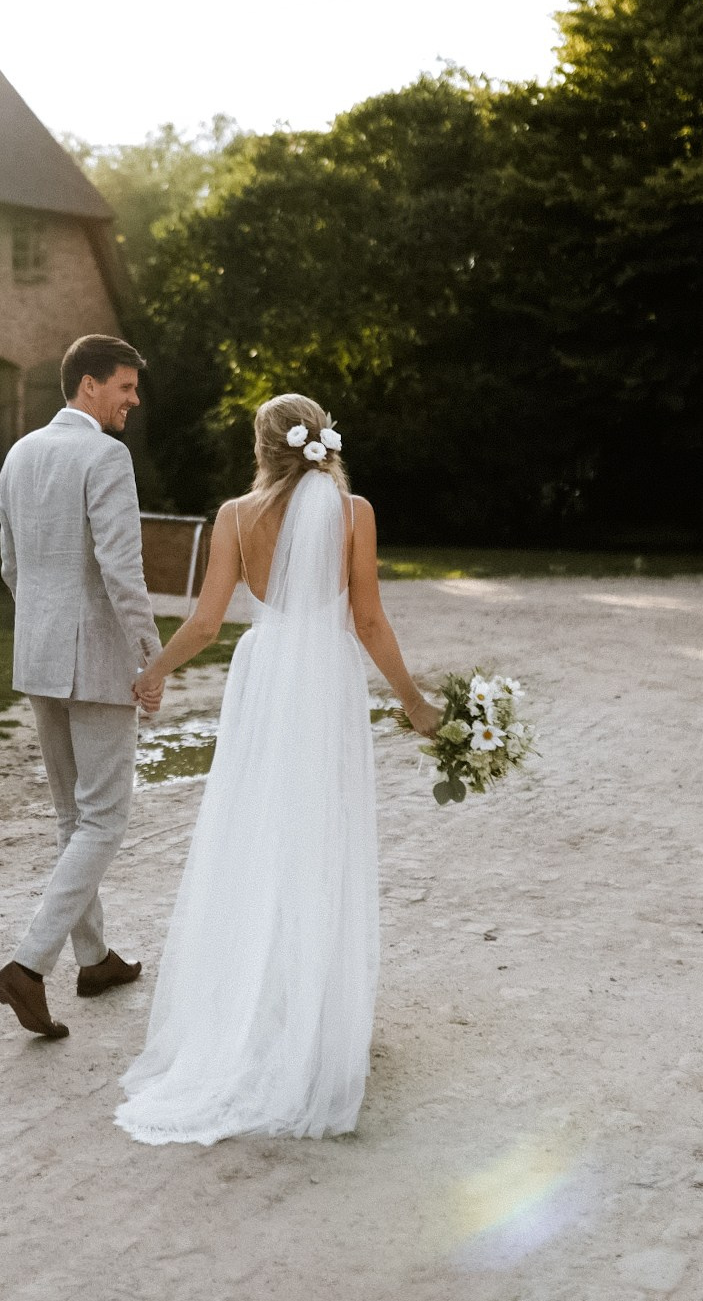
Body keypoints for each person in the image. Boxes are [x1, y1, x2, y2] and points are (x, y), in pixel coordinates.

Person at [115, 392, 441, 1144]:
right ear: (320, 439)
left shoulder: (234, 515)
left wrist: (155, 671)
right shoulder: (352, 510)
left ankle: (256, 1009)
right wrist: (415, 702)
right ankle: (314, 1018)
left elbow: (204, 621)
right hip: (324, 679)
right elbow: (365, 620)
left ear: (262, 447)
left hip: (264, 680)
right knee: (321, 833)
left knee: (256, 827)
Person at [0, 334, 165, 1041]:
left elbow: (8, 564)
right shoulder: (104, 455)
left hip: (36, 654)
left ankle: (93, 960)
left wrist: (43, 624)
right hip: (94, 659)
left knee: (73, 819)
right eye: (124, 386)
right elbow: (123, 568)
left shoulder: (19, 452)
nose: (133, 400)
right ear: (88, 385)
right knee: (103, 820)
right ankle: (28, 965)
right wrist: (149, 658)